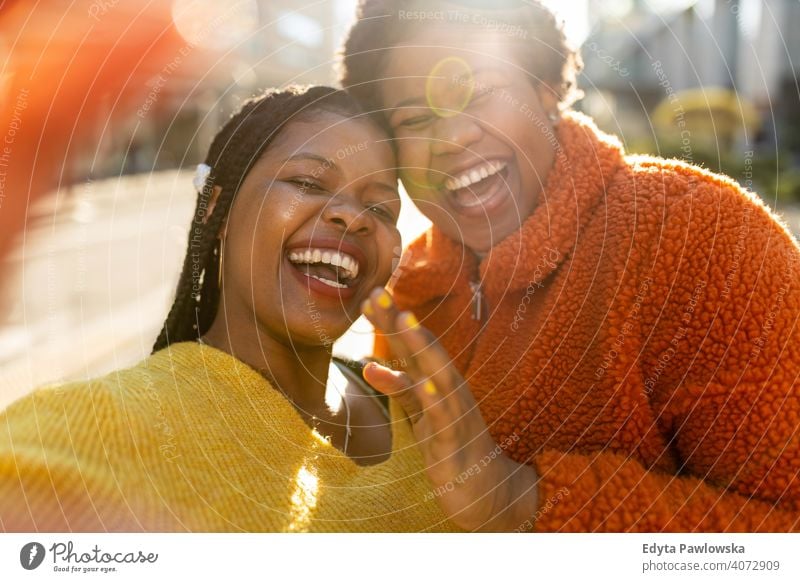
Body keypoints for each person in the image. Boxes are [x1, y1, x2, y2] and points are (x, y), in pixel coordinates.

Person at [340, 0, 800, 531]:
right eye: (416, 119)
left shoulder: (705, 239)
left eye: (482, 91)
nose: (452, 138)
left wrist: (518, 501)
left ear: (545, 88)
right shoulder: (412, 292)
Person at [0, 86, 461, 532]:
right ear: (216, 210)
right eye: (306, 182)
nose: (352, 217)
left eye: (380, 209)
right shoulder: (92, 429)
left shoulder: (426, 415)